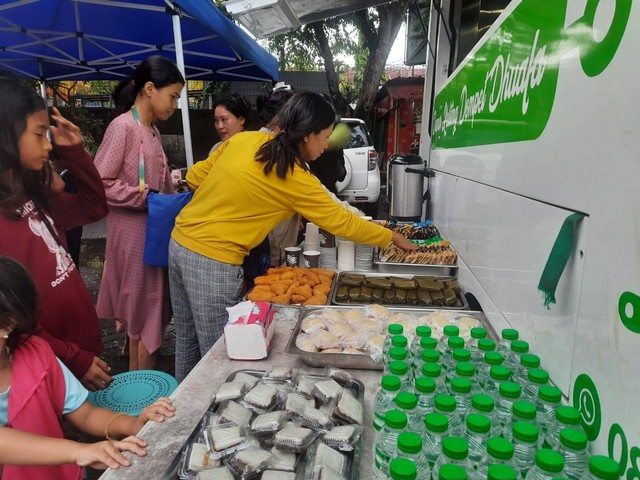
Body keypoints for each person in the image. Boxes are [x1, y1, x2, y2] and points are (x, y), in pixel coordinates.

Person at [169, 92, 416, 381]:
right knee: (222, 355)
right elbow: (341, 222)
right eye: (324, 137)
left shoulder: (243, 140)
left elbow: (197, 176)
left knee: (186, 341)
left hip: (178, 242)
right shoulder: (293, 174)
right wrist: (390, 237)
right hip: (213, 260)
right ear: (308, 135)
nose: (326, 146)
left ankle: (175, 415)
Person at [0, 256, 175, 480]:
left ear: (8, 324)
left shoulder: (37, 355)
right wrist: (79, 451)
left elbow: (86, 414)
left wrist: (133, 424)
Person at [0, 75, 111, 391]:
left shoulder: (32, 192)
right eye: (39, 135)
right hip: (44, 358)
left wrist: (76, 153)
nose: (48, 145)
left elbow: (94, 208)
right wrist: (72, 357)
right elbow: (14, 317)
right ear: (6, 137)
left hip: (76, 341)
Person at [94, 55, 184, 371]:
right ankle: (140, 401)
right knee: (144, 313)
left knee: (148, 313)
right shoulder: (123, 128)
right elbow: (99, 182)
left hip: (153, 238)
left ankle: (138, 392)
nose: (175, 105)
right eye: (172, 96)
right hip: (132, 242)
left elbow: (161, 188)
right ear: (149, 89)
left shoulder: (153, 132)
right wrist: (141, 196)